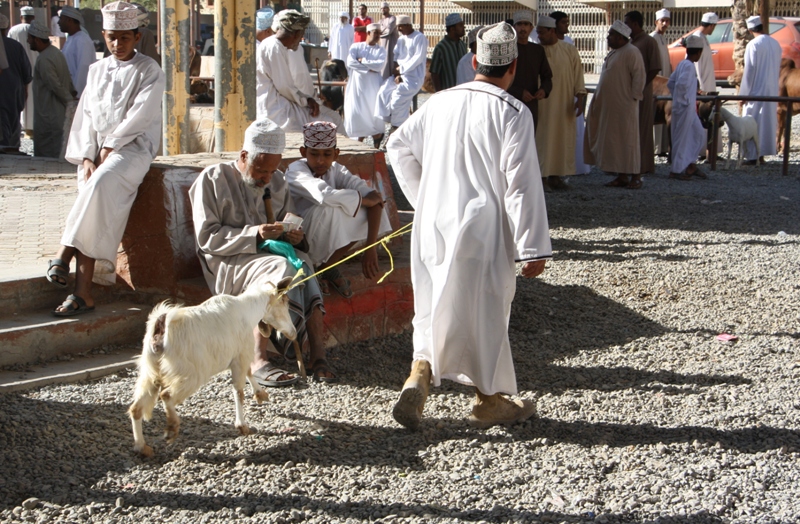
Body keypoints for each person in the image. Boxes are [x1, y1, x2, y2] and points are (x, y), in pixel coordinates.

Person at [386, 22, 551, 430]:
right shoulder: (514, 113)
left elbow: (396, 146)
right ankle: (488, 399)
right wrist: (533, 246)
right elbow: (521, 184)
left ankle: (419, 376)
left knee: (432, 302)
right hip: (483, 227)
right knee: (486, 308)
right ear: (512, 67)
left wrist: (424, 196)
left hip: (433, 224)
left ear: (474, 62)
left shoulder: (437, 103)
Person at [190, 119, 338, 386]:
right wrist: (254, 234)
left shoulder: (277, 181)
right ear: (244, 156)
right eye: (261, 171)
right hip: (229, 261)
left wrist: (294, 236)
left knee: (304, 264)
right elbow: (206, 238)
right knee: (279, 269)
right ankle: (256, 359)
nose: (266, 179)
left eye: (272, 171)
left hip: (268, 256)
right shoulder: (213, 179)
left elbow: (287, 223)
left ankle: (317, 355)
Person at [46, 1, 165, 316]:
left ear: (137, 37)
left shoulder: (150, 70)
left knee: (98, 185)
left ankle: (63, 253)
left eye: (124, 38)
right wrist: (87, 155)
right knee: (92, 188)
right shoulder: (96, 70)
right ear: (103, 35)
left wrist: (110, 147)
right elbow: (85, 117)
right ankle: (83, 293)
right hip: (96, 152)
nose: (118, 44)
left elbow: (140, 117)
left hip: (133, 150)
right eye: (112, 37)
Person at [285, 122, 392, 296]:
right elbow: (325, 196)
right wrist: (365, 200)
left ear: (336, 154)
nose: (320, 160)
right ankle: (314, 269)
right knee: (331, 208)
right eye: (314, 154)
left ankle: (327, 267)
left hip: (323, 234)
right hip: (298, 238)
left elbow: (375, 200)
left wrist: (370, 248)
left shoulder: (337, 170)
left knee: (367, 209)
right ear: (303, 152)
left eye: (327, 154)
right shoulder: (295, 170)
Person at [256, 10, 343, 132]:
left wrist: (308, 99)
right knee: (329, 123)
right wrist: (307, 100)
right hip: (276, 109)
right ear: (296, 33)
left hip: (284, 104)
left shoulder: (277, 46)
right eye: (302, 34)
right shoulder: (274, 47)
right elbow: (284, 86)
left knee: (333, 119)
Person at [584, 21, 645, 189]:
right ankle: (622, 175)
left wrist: (632, 99)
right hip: (611, 108)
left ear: (620, 37)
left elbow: (639, 76)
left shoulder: (632, 52)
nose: (607, 37)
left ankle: (636, 177)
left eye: (610, 34)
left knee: (629, 141)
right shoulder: (615, 53)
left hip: (625, 107)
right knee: (616, 143)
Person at [535, 15, 586, 191]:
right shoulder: (535, 51)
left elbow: (578, 75)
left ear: (552, 31)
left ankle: (556, 177)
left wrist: (580, 97)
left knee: (561, 139)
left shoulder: (569, 50)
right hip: (542, 105)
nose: (539, 36)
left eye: (542, 33)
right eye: (538, 33)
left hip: (564, 104)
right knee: (542, 140)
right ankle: (541, 178)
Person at [27, 20, 75, 158]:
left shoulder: (45, 58)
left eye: (30, 38)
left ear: (36, 39)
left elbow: (55, 85)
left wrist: (69, 102)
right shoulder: (55, 52)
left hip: (49, 114)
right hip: (55, 112)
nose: (28, 41)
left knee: (48, 152)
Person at [550, 10, 589, 176]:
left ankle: (567, 170)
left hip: (568, 95)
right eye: (563, 22)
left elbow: (576, 70)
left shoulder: (569, 43)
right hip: (551, 98)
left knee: (570, 134)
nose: (567, 25)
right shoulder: (542, 43)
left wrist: (579, 94)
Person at [739, 15, 782, 165]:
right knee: (767, 123)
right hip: (771, 91)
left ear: (750, 29)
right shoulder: (776, 43)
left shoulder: (753, 45)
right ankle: (762, 154)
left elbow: (749, 72)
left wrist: (743, 95)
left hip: (756, 91)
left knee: (753, 122)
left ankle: (752, 156)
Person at [625, 10, 661, 186]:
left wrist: (642, 83)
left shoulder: (648, 42)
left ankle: (642, 165)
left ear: (635, 24)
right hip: (629, 91)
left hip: (643, 92)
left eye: (627, 23)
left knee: (642, 127)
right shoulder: (631, 42)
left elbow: (655, 67)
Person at [375, 15, 428, 131]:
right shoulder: (401, 39)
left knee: (397, 98)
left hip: (413, 78)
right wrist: (397, 73)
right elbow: (396, 57)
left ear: (408, 25)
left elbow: (417, 58)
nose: (398, 29)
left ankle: (397, 128)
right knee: (383, 92)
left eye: (400, 27)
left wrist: (402, 70)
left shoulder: (419, 38)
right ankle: (393, 123)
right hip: (399, 75)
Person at [667, 35, 707, 181]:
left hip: (683, 106)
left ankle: (690, 164)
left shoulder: (682, 64)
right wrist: (685, 100)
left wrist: (679, 97)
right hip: (685, 107)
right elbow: (681, 84)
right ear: (698, 53)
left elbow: (671, 83)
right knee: (682, 138)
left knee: (697, 134)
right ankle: (676, 170)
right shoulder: (689, 66)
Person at [508, 10, 552, 130]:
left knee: (529, 139)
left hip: (531, 105)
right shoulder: (507, 50)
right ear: (514, 27)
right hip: (510, 103)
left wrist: (544, 89)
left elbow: (547, 76)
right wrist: (519, 92)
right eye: (520, 24)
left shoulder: (538, 51)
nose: (523, 28)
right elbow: (500, 78)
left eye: (526, 24)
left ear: (531, 27)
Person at [344, 23, 386, 143]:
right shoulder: (356, 47)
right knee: (357, 111)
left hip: (373, 86)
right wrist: (369, 68)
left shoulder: (381, 50)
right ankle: (359, 139)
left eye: (379, 33)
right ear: (368, 33)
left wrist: (364, 61)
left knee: (373, 111)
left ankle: (376, 136)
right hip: (357, 86)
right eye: (375, 33)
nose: (378, 35)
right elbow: (350, 62)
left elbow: (379, 66)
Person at [0, 14, 32, 155]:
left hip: (7, 92)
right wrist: (24, 91)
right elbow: (26, 73)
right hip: (14, 92)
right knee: (12, 125)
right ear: (6, 29)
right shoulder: (16, 46)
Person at [8, 6, 37, 138]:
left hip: (17, 70)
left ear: (21, 17)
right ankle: (31, 128)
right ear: (33, 17)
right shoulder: (36, 30)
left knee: (20, 98)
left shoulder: (14, 30)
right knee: (32, 98)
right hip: (35, 69)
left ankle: (22, 127)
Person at [58, 6, 96, 97]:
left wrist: (76, 95)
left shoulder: (82, 40)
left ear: (69, 20)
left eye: (61, 19)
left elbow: (83, 70)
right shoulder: (71, 38)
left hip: (77, 95)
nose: (58, 22)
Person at [651, 8, 672, 156]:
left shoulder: (663, 39)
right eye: (662, 21)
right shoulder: (652, 38)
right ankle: (656, 148)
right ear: (656, 22)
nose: (664, 24)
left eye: (667, 21)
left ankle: (663, 148)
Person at [430, 13, 466, 92]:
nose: (463, 27)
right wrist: (439, 93)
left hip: (462, 92)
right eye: (460, 25)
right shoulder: (441, 48)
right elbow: (434, 73)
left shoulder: (462, 45)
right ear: (452, 29)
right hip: (447, 93)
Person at [694, 12, 717, 94]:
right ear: (711, 25)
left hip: (707, 85)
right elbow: (696, 65)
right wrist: (700, 87)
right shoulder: (697, 38)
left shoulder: (703, 37)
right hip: (702, 88)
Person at [378, 2, 398, 79]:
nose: (383, 9)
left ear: (388, 9)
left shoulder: (392, 18)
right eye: (382, 8)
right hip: (383, 44)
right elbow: (379, 30)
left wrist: (380, 32)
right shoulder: (380, 21)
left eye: (385, 8)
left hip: (392, 44)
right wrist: (382, 30)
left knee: (391, 61)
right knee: (384, 61)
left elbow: (388, 31)